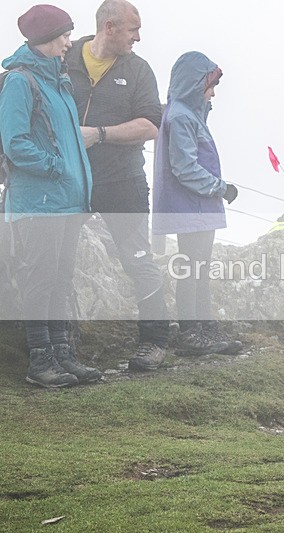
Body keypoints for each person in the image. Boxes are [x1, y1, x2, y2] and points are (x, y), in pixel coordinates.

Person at [65, 0, 170, 371]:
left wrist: (100, 134)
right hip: (71, 180)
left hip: (123, 181)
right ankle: (59, 348)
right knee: (59, 261)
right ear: (109, 27)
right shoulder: (66, 58)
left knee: (138, 261)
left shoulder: (139, 70)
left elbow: (150, 126)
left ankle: (155, 342)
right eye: (132, 29)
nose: (138, 38)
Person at [0, 4, 101, 387]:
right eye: (63, 36)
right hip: (39, 202)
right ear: (44, 39)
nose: (68, 43)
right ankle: (40, 361)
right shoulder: (19, 82)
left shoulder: (57, 83)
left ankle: (62, 355)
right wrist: (56, 167)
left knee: (59, 280)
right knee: (39, 280)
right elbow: (15, 143)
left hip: (67, 203)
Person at [152, 51, 241, 357]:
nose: (213, 92)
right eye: (210, 85)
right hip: (192, 207)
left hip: (197, 208)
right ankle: (192, 332)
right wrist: (221, 188)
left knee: (198, 270)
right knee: (193, 270)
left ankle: (204, 326)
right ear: (194, 83)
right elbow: (184, 167)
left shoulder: (185, 113)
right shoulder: (180, 116)